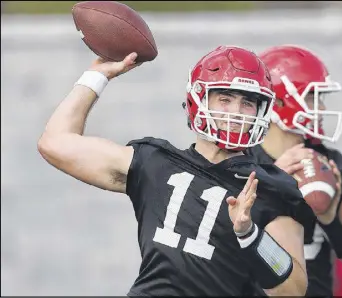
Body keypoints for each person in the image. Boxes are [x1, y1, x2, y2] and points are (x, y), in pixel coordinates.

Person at [37, 45, 318, 296]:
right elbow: (55, 143)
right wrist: (96, 76)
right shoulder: (156, 162)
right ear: (199, 100)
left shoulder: (267, 186)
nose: (237, 112)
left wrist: (250, 234)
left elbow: (292, 291)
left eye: (248, 102)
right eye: (225, 99)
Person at [245, 45, 342, 297]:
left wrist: (330, 221)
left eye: (319, 98)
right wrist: (267, 188)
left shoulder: (331, 168)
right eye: (311, 97)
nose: (319, 108)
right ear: (276, 100)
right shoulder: (238, 163)